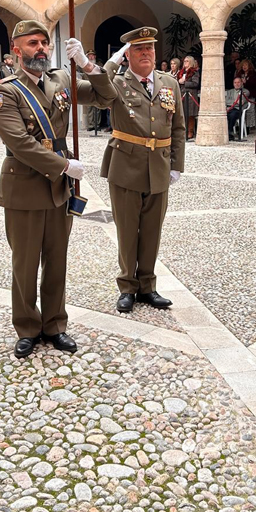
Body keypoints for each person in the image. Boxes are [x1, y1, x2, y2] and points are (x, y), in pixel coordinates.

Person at [0, 21, 116, 358]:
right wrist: (62, 165)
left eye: (45, 43)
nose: (41, 49)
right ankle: (28, 327)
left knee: (57, 261)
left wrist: (89, 66)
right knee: (26, 264)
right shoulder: (5, 90)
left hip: (59, 189)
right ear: (16, 49)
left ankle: (56, 325)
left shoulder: (60, 80)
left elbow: (107, 97)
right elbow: (19, 142)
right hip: (26, 187)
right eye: (33, 43)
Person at [100, 27, 186, 314]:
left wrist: (176, 165)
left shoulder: (168, 82)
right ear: (128, 55)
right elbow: (96, 87)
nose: (146, 53)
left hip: (159, 165)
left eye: (150, 47)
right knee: (127, 231)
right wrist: (112, 64)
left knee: (152, 231)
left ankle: (148, 286)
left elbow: (178, 128)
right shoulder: (116, 82)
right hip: (126, 164)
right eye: (139, 49)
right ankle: (127, 286)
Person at [176, 55, 200, 140]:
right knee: (183, 114)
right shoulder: (181, 72)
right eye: (184, 61)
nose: (185, 62)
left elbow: (195, 83)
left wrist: (184, 82)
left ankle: (190, 131)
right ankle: (183, 131)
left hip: (190, 95)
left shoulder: (194, 72)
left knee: (190, 115)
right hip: (182, 94)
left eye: (187, 61)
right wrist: (178, 82)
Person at [226, 75, 251, 139]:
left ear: (242, 83)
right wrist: (235, 101)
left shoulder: (246, 91)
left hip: (238, 110)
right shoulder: (230, 91)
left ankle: (229, 132)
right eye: (235, 82)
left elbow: (241, 102)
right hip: (229, 108)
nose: (237, 84)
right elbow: (225, 101)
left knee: (232, 115)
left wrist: (231, 102)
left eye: (238, 82)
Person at [85, 49, 104, 132]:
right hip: (87, 86)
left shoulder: (99, 64)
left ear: (95, 56)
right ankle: (90, 125)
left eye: (92, 55)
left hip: (98, 87)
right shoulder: (84, 64)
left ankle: (97, 125)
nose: (91, 57)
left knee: (97, 107)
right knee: (89, 107)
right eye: (90, 55)